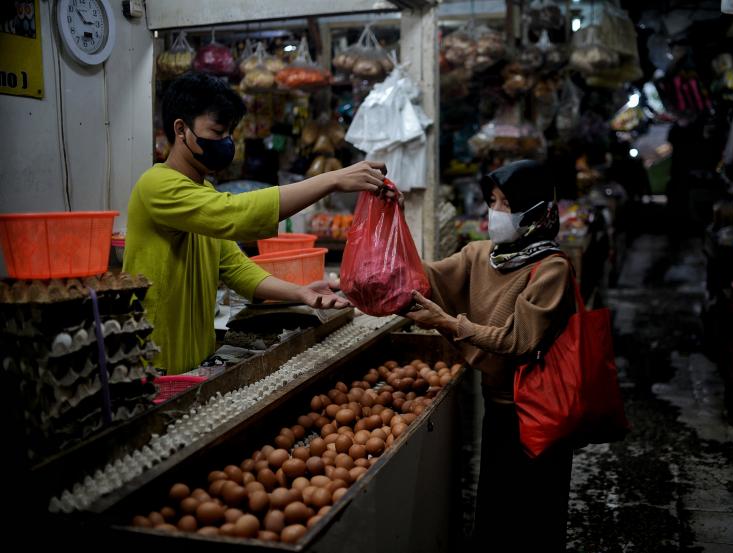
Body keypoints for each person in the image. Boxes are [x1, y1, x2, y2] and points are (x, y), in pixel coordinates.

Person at [124, 72, 387, 374]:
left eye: (229, 134)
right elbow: (237, 216)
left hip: (194, 359)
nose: (225, 142)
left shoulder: (204, 192)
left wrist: (299, 292)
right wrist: (332, 180)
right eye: (217, 131)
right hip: (154, 363)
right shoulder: (156, 185)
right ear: (181, 130)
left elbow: (237, 268)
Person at [404, 160, 575, 551]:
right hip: (498, 407)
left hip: (540, 412)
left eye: (505, 204)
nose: (494, 212)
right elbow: (426, 276)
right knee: (496, 505)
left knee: (536, 514)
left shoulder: (553, 270)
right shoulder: (481, 255)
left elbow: (519, 341)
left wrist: (449, 323)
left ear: (534, 211)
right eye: (493, 201)